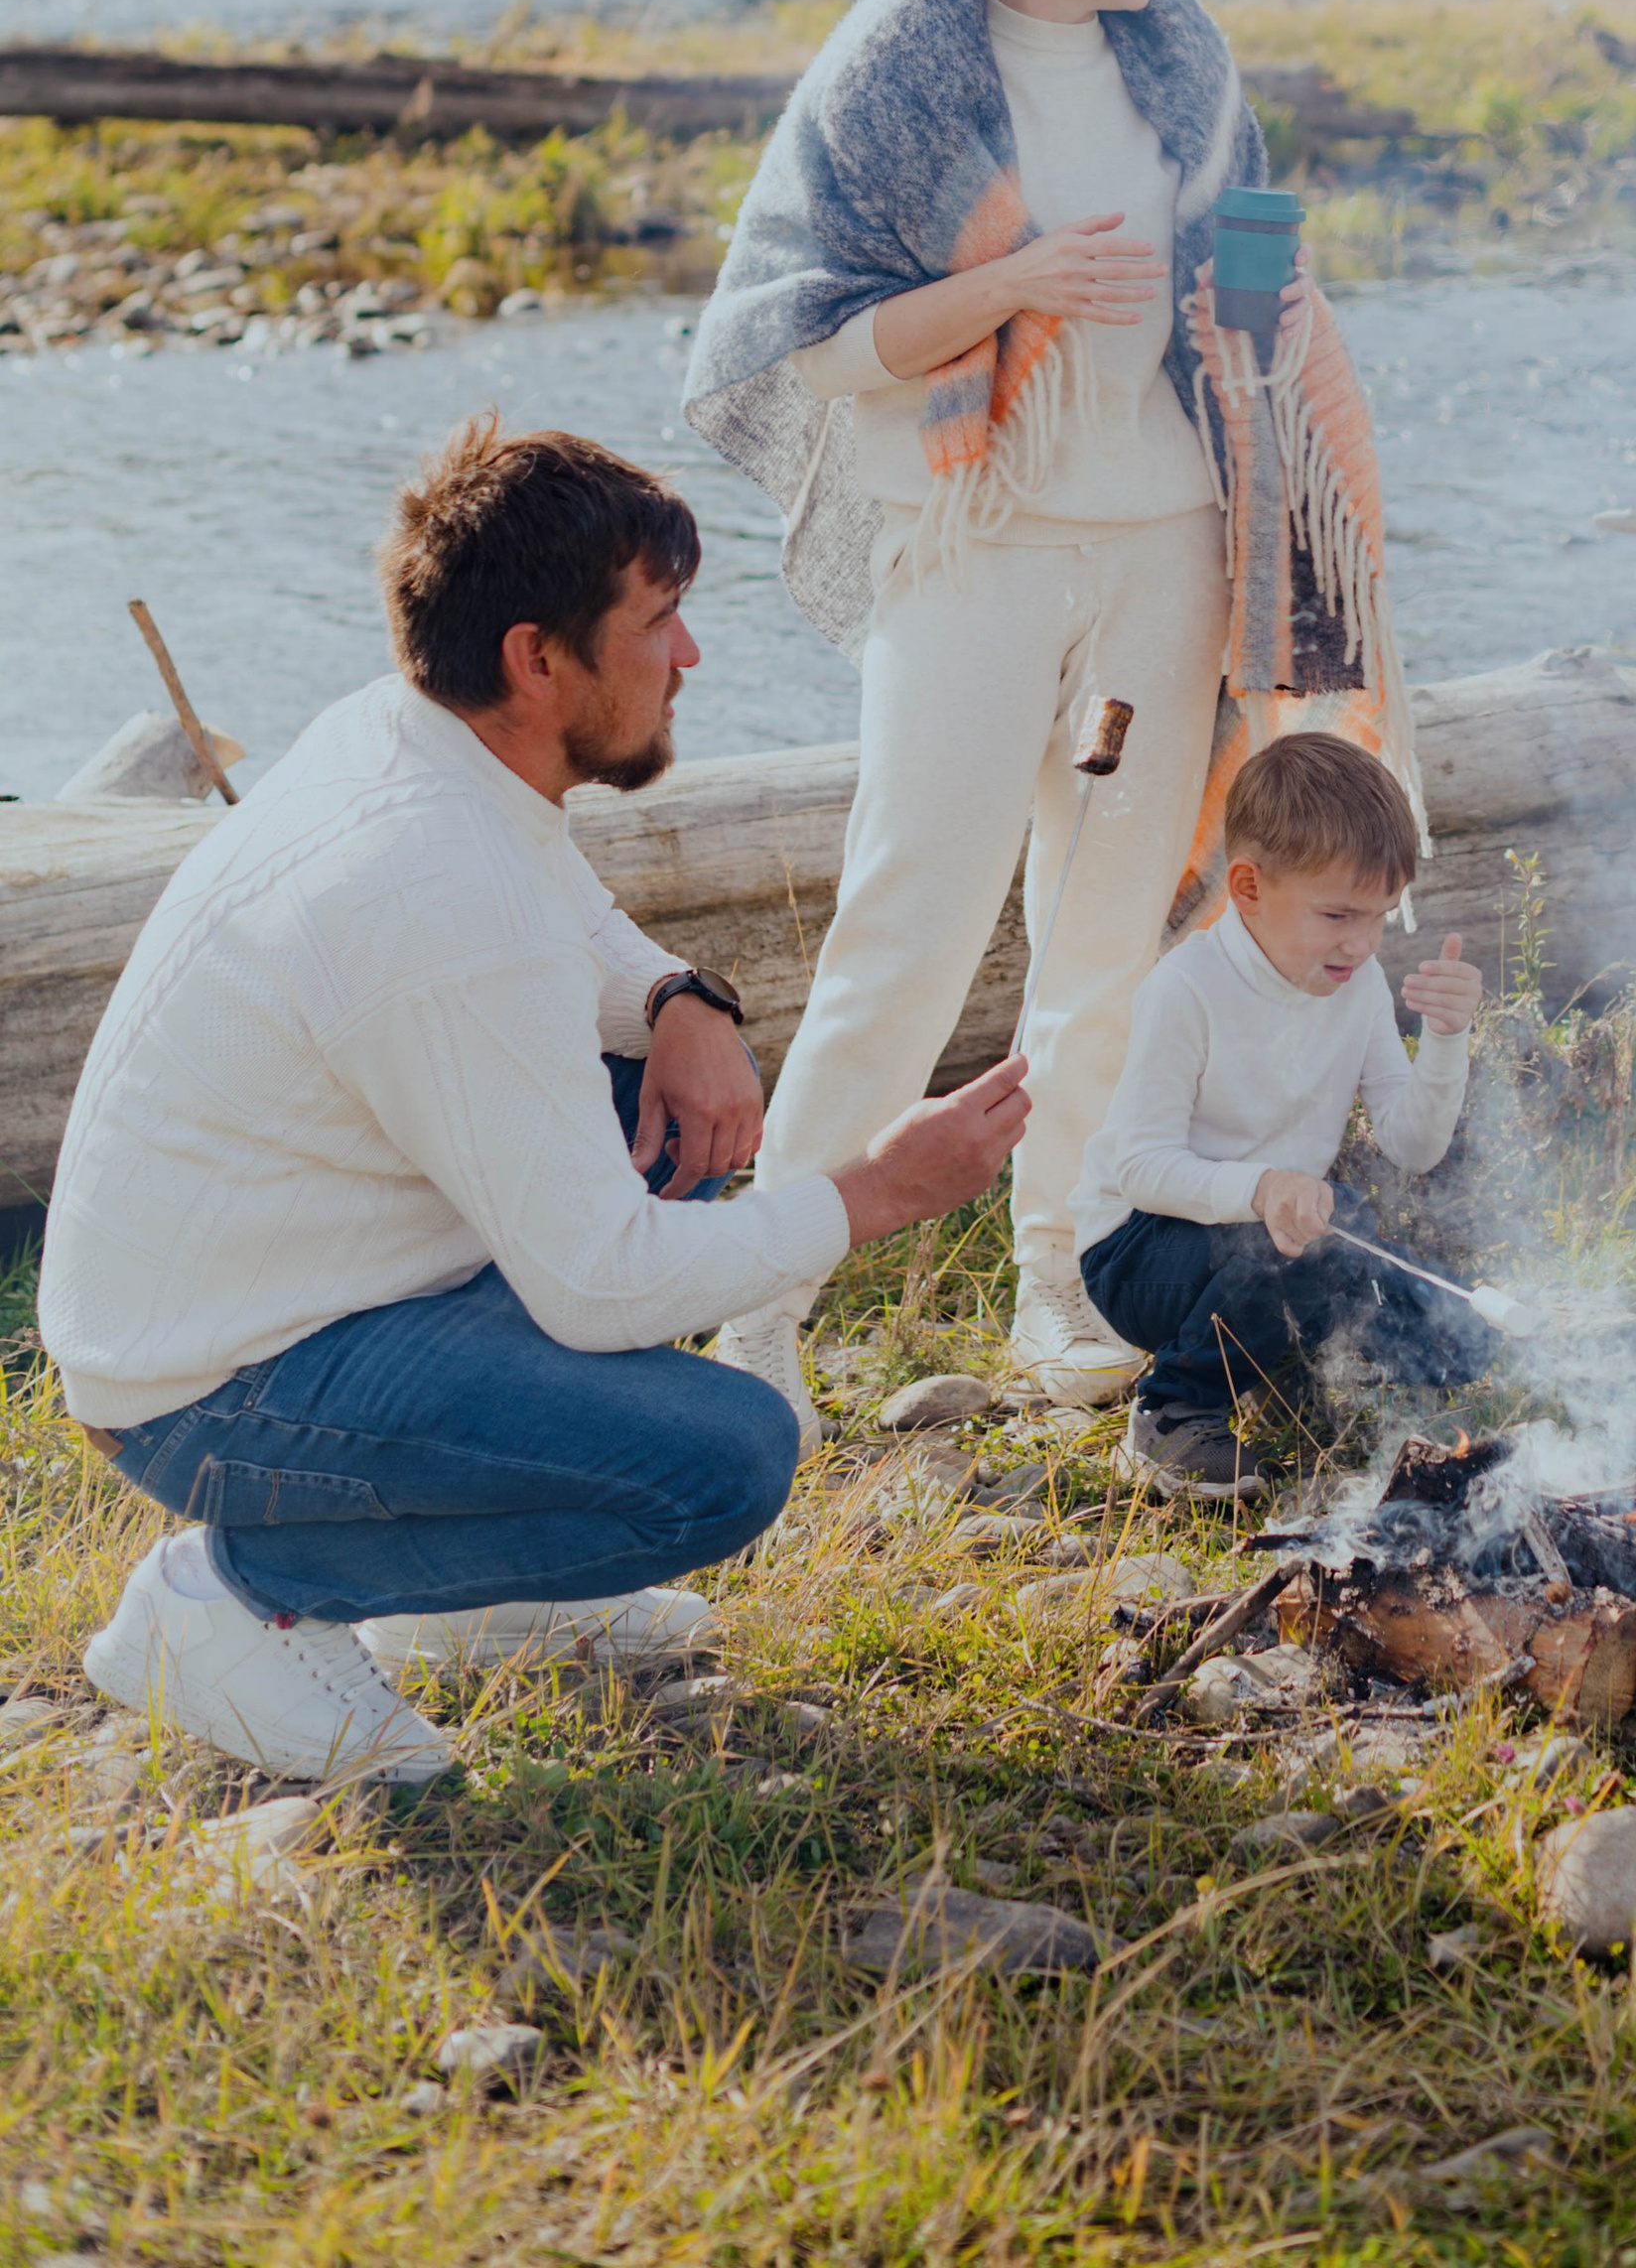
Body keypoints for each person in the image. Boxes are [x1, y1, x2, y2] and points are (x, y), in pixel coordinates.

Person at [40, 420, 1025, 1788]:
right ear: (535, 657)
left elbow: (570, 913)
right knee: (723, 1460)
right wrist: (874, 1196)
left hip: (268, 1289)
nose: (690, 656)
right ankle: (233, 1598)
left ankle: (487, 1583)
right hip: (213, 1386)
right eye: (661, 620)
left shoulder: (413, 738)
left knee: (638, 1094)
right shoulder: (437, 891)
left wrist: (683, 1000)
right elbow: (601, 1288)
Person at [685, 0, 1420, 1437]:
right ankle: (758, 1308)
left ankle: (1067, 1289)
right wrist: (1013, 276)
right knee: (908, 927)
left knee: (1103, 926)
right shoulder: (897, 70)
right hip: (978, 554)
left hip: (1158, 552)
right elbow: (810, 346)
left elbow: (1236, 293)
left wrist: (1261, 304)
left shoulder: (1182, 53)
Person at [1072, 734, 1482, 1500]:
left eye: (1380, 918)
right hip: (1138, 1252)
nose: (1361, 943)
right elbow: (1138, 1166)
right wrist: (1263, 1188)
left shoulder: (1354, 985)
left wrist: (1446, 1042)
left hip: (1269, 1231)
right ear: (1249, 887)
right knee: (1295, 1244)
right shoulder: (1186, 989)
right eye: (1337, 914)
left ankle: (1294, 1370)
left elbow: (1412, 1145)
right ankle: (1172, 1412)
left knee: (1388, 1271)